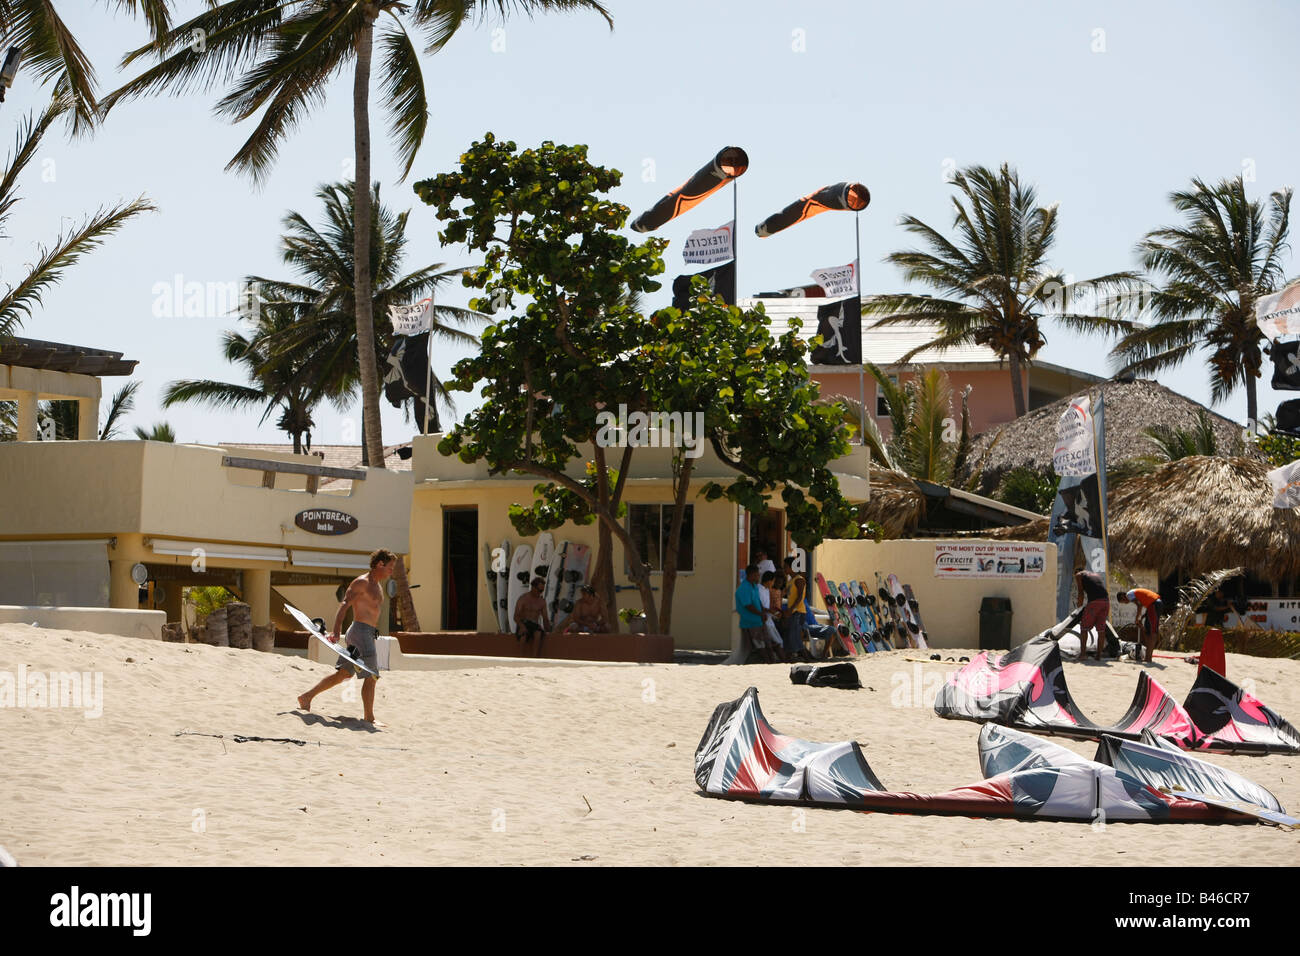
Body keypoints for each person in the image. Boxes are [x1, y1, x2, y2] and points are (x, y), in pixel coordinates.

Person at [297, 548, 395, 727]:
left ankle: (306, 697)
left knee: (344, 674)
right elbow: (344, 606)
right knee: (372, 676)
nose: (391, 571)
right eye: (390, 567)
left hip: (365, 634)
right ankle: (369, 718)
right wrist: (335, 631)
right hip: (360, 633)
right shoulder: (362, 583)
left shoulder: (377, 585)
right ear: (380, 564)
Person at [735, 564, 776, 663]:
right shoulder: (744, 587)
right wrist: (760, 614)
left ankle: (772, 664)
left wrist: (763, 612)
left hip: (760, 620)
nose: (759, 577)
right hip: (751, 622)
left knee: (768, 644)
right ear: (752, 575)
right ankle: (767, 663)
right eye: (757, 575)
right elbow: (748, 605)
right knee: (760, 645)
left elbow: (758, 601)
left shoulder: (754, 586)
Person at [1117, 588, 1163, 662]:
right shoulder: (1133, 594)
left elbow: (1139, 605)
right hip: (1153, 605)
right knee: (1148, 630)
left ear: (1123, 596)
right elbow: (1143, 603)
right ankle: (1148, 656)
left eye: (1124, 601)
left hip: (1154, 604)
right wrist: (1144, 615)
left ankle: (1148, 658)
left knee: (1152, 631)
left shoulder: (1129, 595)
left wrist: (1137, 618)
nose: (1126, 603)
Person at [1074, 569, 1110, 660]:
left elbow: (1081, 592)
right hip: (1106, 602)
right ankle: (1098, 656)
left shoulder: (1078, 575)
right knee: (1101, 629)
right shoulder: (1095, 575)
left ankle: (1082, 655)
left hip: (1095, 602)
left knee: (1084, 628)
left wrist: (1079, 607)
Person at [782, 557, 810, 660]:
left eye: (785, 567)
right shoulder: (790, 581)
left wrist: (791, 609)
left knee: (795, 636)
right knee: (791, 635)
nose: (784, 569)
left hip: (798, 611)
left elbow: (800, 597)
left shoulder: (799, 579)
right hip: (792, 612)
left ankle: (807, 659)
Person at [515, 576, 552, 641]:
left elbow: (545, 619)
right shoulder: (523, 599)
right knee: (523, 636)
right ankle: (521, 651)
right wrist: (521, 626)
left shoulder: (542, 602)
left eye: (542, 591)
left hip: (534, 626)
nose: (541, 593)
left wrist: (549, 632)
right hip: (523, 623)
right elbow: (516, 616)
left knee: (538, 634)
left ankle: (535, 651)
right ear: (533, 587)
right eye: (539, 590)